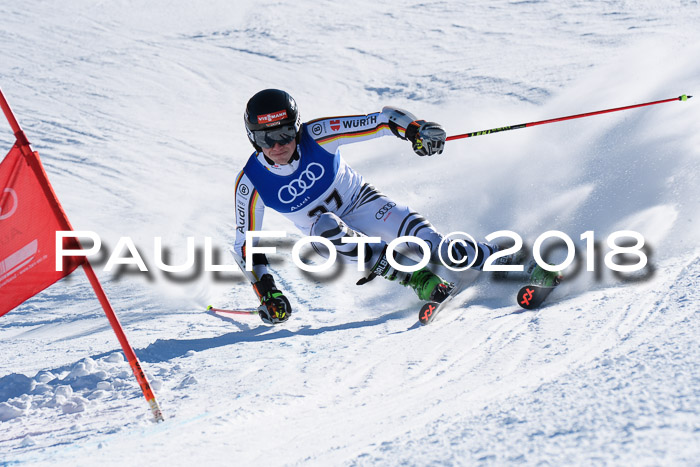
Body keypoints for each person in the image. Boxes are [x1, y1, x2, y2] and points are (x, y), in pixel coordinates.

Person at [232, 89, 553, 324]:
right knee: (329, 228)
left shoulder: (317, 135)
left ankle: (521, 261)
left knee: (444, 252)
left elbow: (382, 120)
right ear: (253, 139)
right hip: (327, 233)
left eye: (286, 133)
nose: (278, 146)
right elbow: (247, 248)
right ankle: (419, 280)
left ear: (297, 126)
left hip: (365, 204)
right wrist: (268, 292)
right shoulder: (252, 183)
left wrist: (415, 130)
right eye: (265, 139)